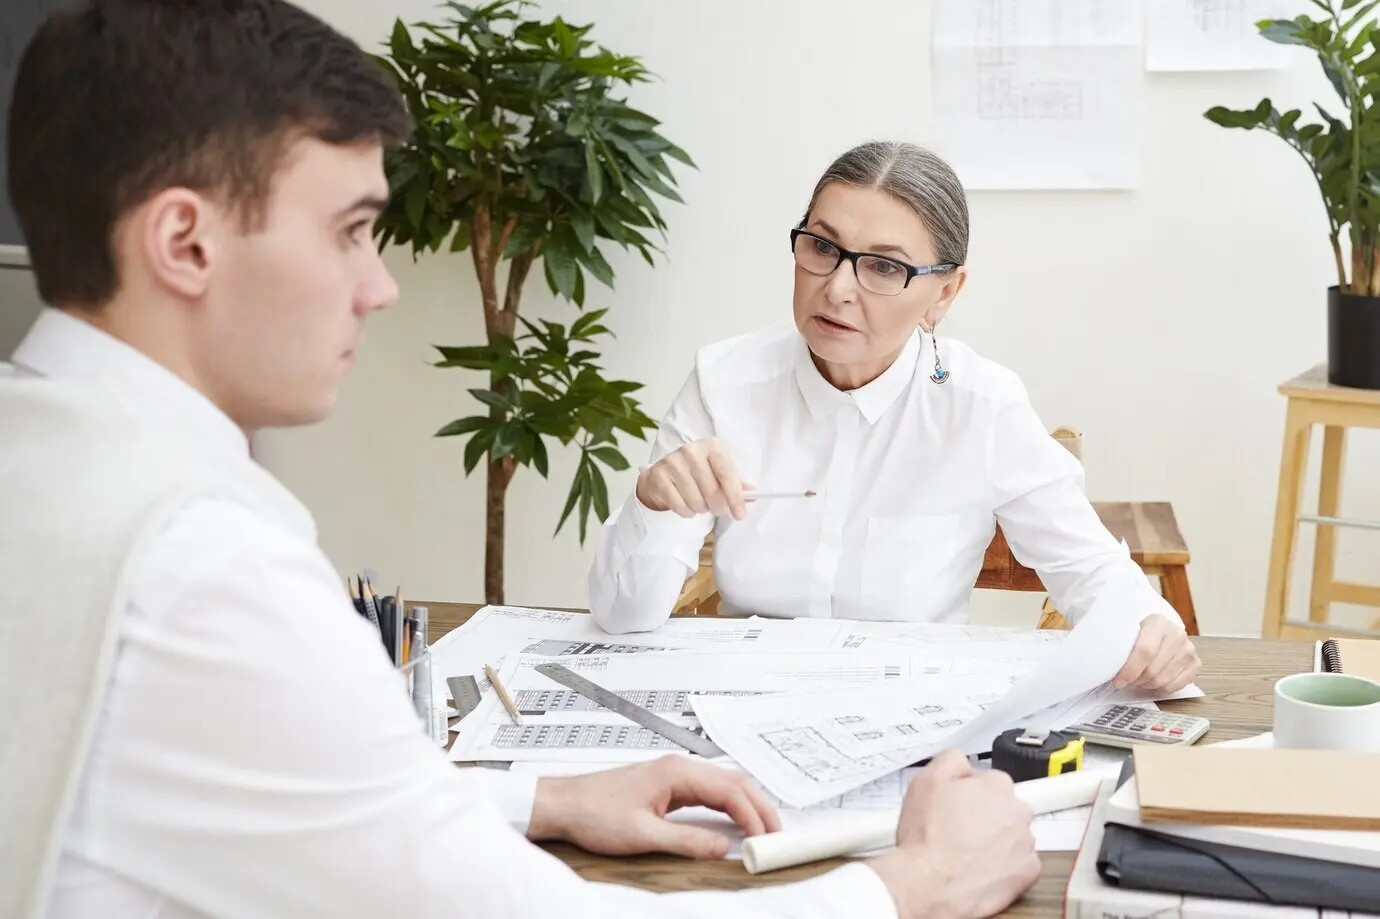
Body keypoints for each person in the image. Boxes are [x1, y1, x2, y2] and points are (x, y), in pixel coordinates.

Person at [0, 3, 1041, 918]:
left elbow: (261, 795)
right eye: (353, 230)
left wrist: (543, 796)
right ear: (185, 243)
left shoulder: (43, 458)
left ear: (942, 290)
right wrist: (912, 889)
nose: (382, 286)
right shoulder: (204, 568)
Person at [588, 140, 1200, 695]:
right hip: (735, 708)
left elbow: (1093, 571)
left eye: (885, 267)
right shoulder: (725, 381)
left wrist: (1152, 630)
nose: (837, 288)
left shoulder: (981, 405)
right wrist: (653, 501)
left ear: (945, 293)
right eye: (823, 248)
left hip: (914, 723)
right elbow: (624, 615)